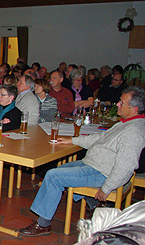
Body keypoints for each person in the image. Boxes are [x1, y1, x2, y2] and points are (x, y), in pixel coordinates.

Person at [19, 86, 145, 237]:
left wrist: (107, 188)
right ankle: (95, 205)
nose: (117, 105)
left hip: (102, 172)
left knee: (54, 176)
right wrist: (72, 140)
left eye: (121, 103)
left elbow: (127, 165)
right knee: (60, 169)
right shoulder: (126, 123)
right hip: (92, 164)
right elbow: (99, 138)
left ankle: (43, 224)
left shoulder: (133, 132)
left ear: (134, 109)